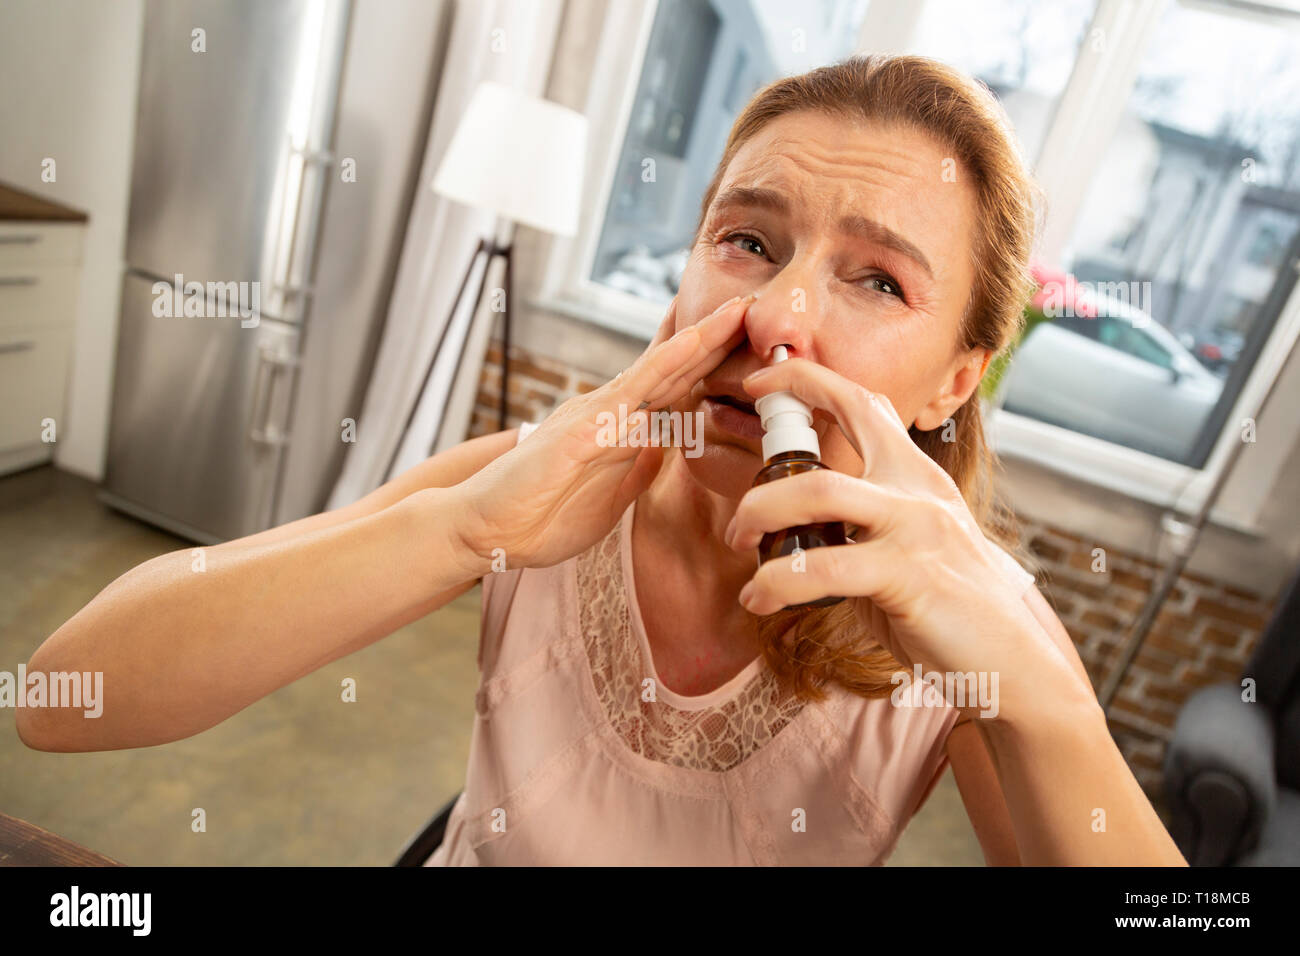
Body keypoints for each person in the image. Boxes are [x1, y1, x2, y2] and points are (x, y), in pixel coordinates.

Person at [19, 54, 1186, 866]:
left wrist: (1044, 699)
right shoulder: (543, 490)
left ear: (954, 378)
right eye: (747, 242)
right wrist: (460, 529)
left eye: (877, 278)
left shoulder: (966, 632)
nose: (777, 317)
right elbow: (64, 702)